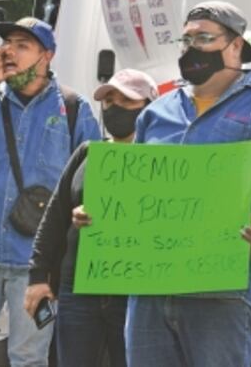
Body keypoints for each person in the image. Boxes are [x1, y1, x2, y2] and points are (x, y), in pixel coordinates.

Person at [122, 0, 251, 366]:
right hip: (149, 291)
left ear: (236, 46)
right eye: (185, 40)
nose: (190, 48)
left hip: (222, 295)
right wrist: (99, 212)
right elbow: (135, 191)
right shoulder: (156, 113)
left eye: (203, 38)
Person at [0, 17, 101, 367]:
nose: (9, 51)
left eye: (22, 45)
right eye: (7, 43)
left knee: (29, 359)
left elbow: (94, 179)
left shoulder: (73, 108)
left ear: (47, 56)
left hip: (36, 262)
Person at [24, 68, 158, 367]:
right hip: (79, 290)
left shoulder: (162, 161)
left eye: (126, 100)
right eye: (109, 100)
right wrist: (37, 276)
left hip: (134, 292)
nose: (114, 107)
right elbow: (54, 217)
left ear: (148, 106)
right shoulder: (87, 154)